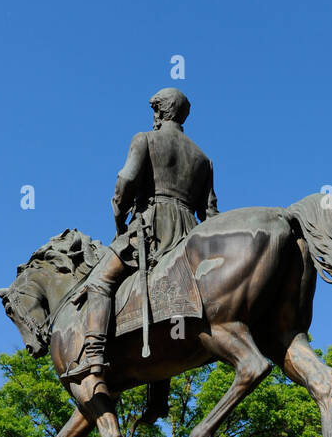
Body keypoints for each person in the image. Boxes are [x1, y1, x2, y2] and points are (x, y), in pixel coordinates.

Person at [66, 87, 218, 381]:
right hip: (187, 237)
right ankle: (158, 393)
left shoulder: (145, 139)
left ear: (161, 112)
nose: (153, 117)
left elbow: (126, 181)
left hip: (150, 227)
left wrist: (119, 214)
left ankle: (94, 355)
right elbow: (210, 214)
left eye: (154, 111)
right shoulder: (203, 159)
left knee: (99, 280)